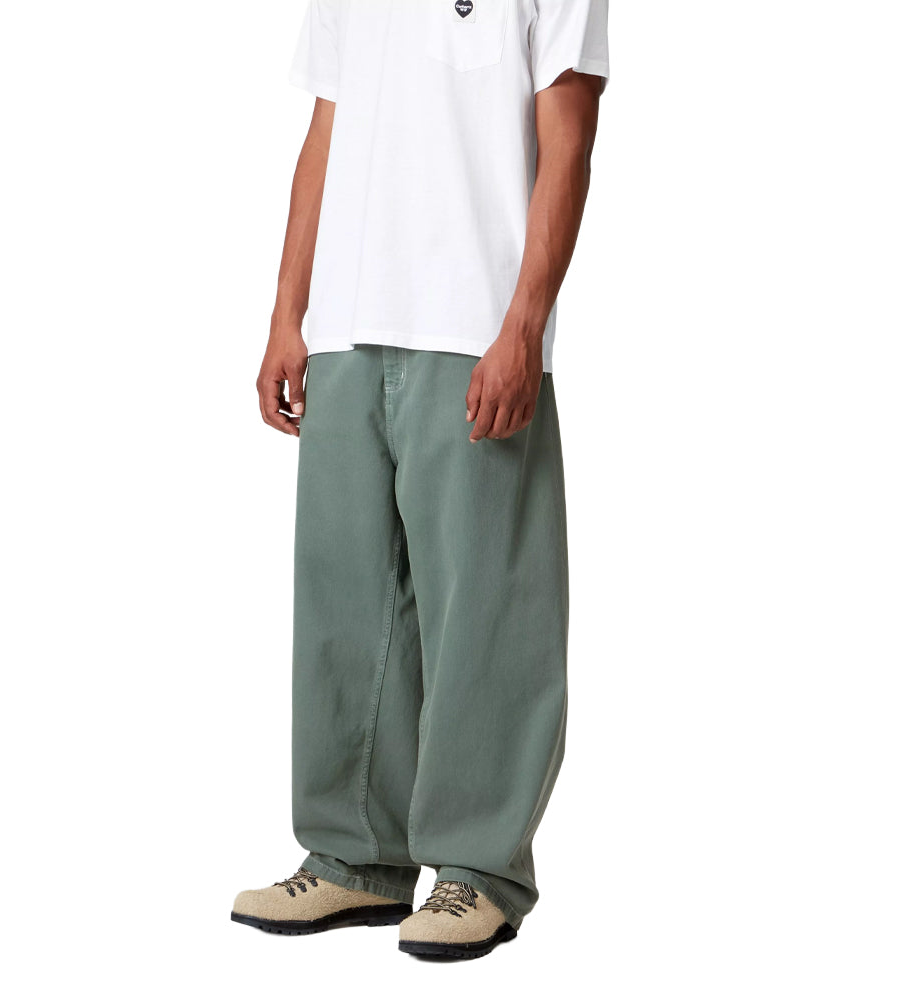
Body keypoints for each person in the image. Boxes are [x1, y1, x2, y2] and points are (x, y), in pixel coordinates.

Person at [231, 0, 608, 960]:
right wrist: (287, 314)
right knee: (345, 606)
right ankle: (355, 858)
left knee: (488, 609)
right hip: (348, 321)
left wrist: (523, 324)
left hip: (473, 322)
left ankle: (479, 869)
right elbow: (325, 130)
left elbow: (569, 130)